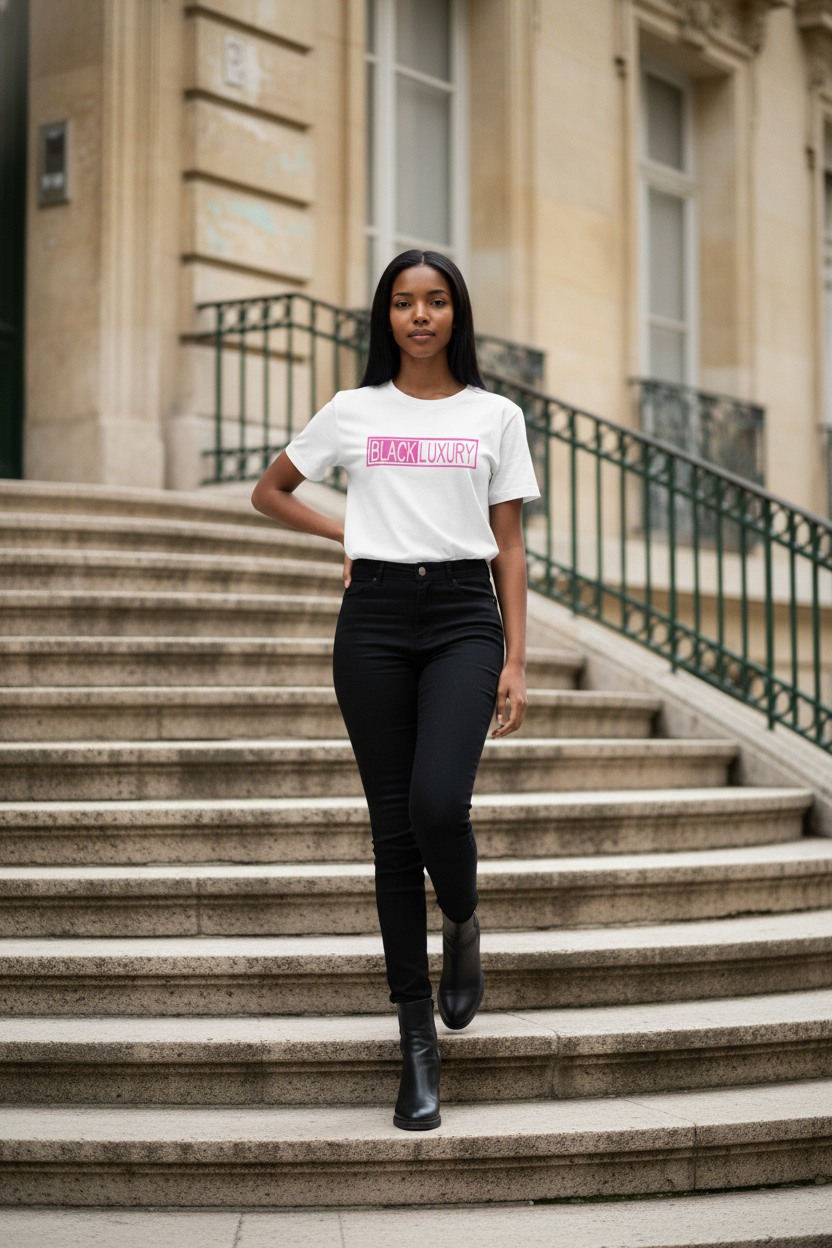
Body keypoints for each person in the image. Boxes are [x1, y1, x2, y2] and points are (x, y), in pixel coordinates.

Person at [251, 249, 540, 1130]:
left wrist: (516, 659)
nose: (420, 316)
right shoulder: (352, 410)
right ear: (387, 316)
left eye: (437, 301)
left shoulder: (496, 415)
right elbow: (270, 491)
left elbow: (511, 546)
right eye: (405, 302)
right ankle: (417, 1046)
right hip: (373, 618)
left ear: (457, 315)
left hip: (463, 617)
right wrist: (347, 530)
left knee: (438, 804)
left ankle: (463, 920)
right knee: (391, 835)